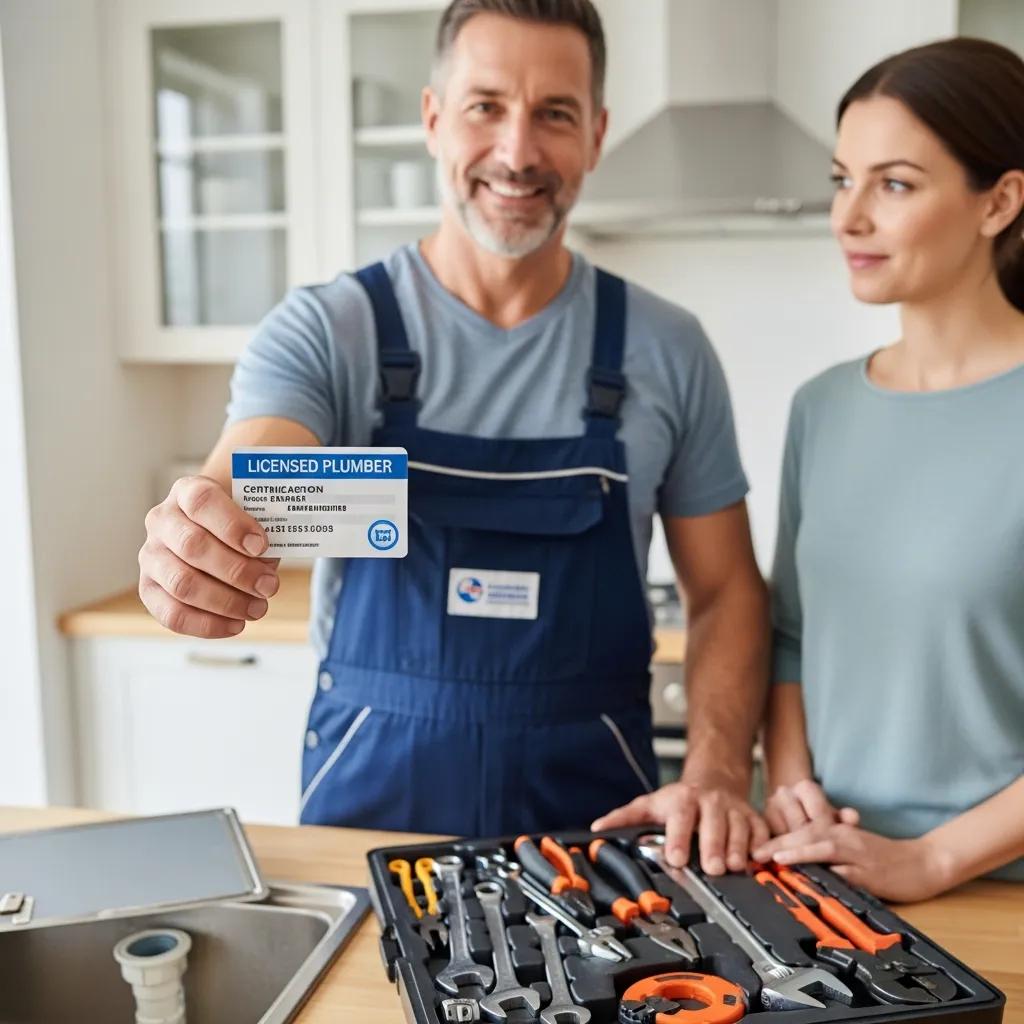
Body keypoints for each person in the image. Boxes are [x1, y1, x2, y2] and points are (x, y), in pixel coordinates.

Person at [137, 0, 770, 868]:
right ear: (434, 119)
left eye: (555, 113)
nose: (517, 153)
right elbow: (251, 473)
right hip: (370, 826)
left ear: (596, 135)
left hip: (599, 839)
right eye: (485, 106)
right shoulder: (330, 330)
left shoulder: (667, 349)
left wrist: (719, 771)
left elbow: (728, 590)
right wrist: (204, 530)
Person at [753, 37, 1024, 901]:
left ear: (1000, 202)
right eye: (843, 179)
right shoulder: (823, 408)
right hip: (822, 880)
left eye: (894, 184)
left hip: (999, 895)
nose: (848, 216)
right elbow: (790, 635)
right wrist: (795, 794)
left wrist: (935, 858)